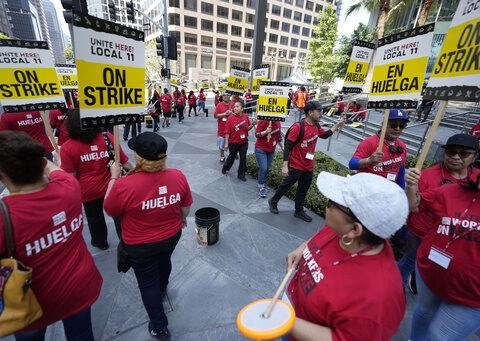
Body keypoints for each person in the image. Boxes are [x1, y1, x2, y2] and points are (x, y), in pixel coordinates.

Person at [0, 131, 102, 340]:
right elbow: (56, 169)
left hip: (32, 302)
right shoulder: (69, 187)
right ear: (40, 162)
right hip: (79, 287)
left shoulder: (5, 216)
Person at [283, 172, 407, 341]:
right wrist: (302, 249)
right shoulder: (344, 232)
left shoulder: (379, 297)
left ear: (355, 229)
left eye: (331, 203)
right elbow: (322, 236)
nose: (327, 205)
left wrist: (286, 323)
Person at [104, 132, 192, 339]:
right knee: (165, 260)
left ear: (139, 158)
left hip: (140, 244)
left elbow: (110, 209)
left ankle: (159, 326)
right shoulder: (178, 176)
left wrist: (114, 178)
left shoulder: (125, 184)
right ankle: (162, 288)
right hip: (171, 235)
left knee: (147, 283)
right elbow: (186, 209)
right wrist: (181, 217)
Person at [404, 158, 480, 341]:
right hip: (430, 274)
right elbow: (415, 205)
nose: (456, 157)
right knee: (423, 313)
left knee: (439, 336)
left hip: (471, 294)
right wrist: (410, 186)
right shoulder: (451, 191)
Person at [397, 134, 480, 292]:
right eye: (450, 152)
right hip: (420, 233)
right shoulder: (426, 176)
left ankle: (420, 275)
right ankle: (397, 285)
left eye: (463, 153)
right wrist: (410, 186)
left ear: (475, 156)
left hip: (456, 238)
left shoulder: (477, 179)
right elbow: (412, 206)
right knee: (409, 259)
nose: (455, 157)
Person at [60, 109, 133, 250]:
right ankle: (126, 244)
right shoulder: (108, 137)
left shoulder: (67, 148)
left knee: (95, 219)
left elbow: (71, 178)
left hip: (88, 192)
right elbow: (125, 163)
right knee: (119, 217)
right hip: (112, 187)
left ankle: (100, 242)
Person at [268, 101, 344, 222]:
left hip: (309, 166)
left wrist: (337, 124)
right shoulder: (298, 127)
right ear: (310, 112)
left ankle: (299, 211)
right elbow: (287, 147)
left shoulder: (316, 126)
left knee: (303, 190)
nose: (321, 113)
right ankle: (273, 201)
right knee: (286, 185)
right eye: (319, 111)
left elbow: (324, 135)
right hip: (296, 164)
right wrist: (285, 166)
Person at [349, 109, 409, 188]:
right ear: (383, 124)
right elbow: (352, 164)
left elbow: (401, 171)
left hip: (387, 193)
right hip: (366, 190)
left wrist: (402, 192)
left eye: (402, 126)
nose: (398, 129)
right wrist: (369, 161)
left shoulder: (402, 146)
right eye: (393, 125)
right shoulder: (369, 142)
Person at [222, 101, 257, 181]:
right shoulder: (230, 118)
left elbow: (247, 129)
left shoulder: (245, 117)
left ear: (242, 109)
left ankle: (241, 175)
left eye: (237, 107)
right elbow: (227, 131)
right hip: (233, 142)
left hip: (243, 142)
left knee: (243, 158)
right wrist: (226, 144)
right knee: (232, 157)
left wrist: (252, 124)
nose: (235, 108)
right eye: (234, 106)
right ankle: (225, 167)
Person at [255, 119, 284, 198]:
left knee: (267, 168)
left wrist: (282, 146)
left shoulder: (278, 122)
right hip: (261, 149)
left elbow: (279, 136)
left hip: (271, 150)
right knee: (263, 168)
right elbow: (257, 134)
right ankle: (261, 186)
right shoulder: (262, 121)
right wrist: (266, 131)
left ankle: (263, 183)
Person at [214, 94, 234, 162]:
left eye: (228, 95)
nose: (226, 96)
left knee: (233, 143)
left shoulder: (233, 104)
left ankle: (233, 154)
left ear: (230, 96)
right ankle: (222, 155)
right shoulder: (219, 105)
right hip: (222, 128)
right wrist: (224, 114)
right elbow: (216, 115)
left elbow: (239, 113)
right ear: (222, 97)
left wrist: (232, 113)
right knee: (221, 142)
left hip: (232, 128)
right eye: (224, 95)